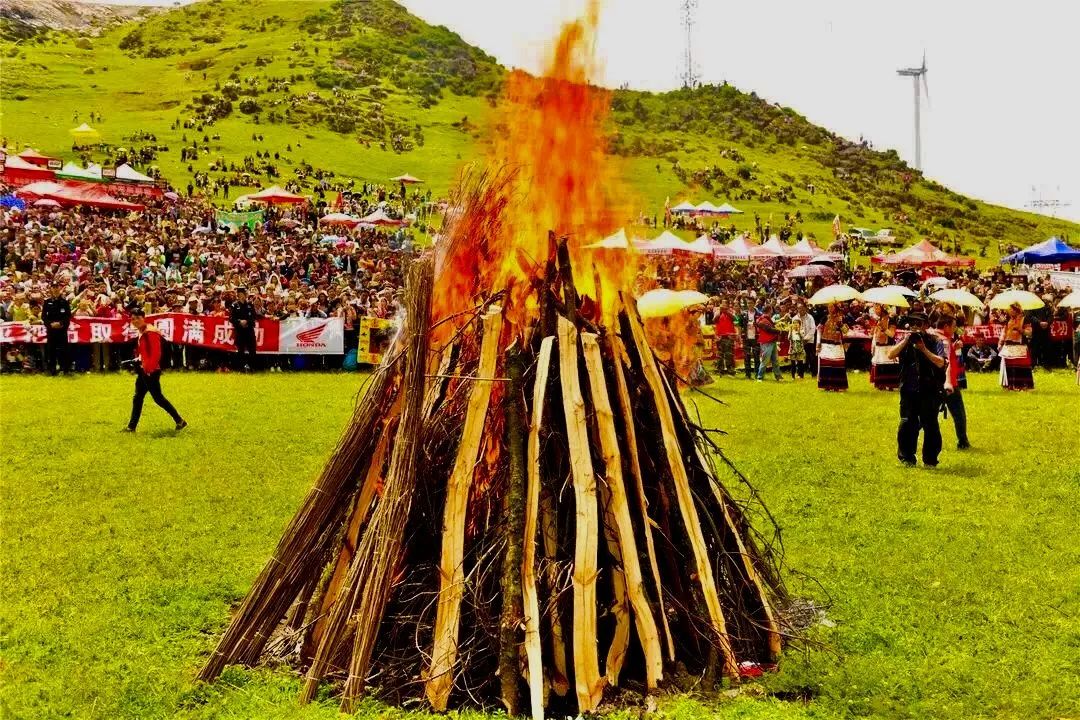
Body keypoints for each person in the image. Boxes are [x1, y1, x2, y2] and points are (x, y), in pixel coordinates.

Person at [888, 312, 946, 466]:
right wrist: (906, 340)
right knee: (907, 423)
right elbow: (890, 354)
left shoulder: (935, 341)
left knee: (930, 424)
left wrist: (923, 349)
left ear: (926, 325)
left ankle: (930, 460)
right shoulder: (904, 339)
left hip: (930, 389)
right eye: (912, 323)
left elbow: (941, 363)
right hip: (909, 388)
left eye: (919, 323)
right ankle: (907, 458)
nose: (915, 326)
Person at [123, 308, 187, 432]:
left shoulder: (150, 332)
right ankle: (131, 426)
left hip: (151, 370)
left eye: (137, 318)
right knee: (138, 397)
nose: (135, 321)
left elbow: (156, 353)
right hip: (144, 369)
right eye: (132, 319)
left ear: (143, 317)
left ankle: (180, 420)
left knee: (158, 398)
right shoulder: (143, 331)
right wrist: (139, 360)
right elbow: (146, 352)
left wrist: (149, 369)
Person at [934, 313, 970, 450]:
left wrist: (953, 348)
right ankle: (963, 441)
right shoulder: (943, 340)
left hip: (933, 382)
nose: (955, 330)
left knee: (928, 414)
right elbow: (945, 362)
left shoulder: (932, 336)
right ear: (946, 326)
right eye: (953, 327)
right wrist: (948, 382)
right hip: (948, 383)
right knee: (959, 413)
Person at [997, 302, 1033, 390]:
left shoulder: (1025, 319)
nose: (1010, 311)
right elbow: (1004, 332)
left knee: (1021, 366)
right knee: (1009, 366)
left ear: (1017, 311)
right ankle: (1010, 385)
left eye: (1012, 310)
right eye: (1010, 310)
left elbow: (1029, 333)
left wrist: (1020, 330)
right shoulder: (1008, 320)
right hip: (1008, 346)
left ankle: (1023, 385)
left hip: (1020, 346)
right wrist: (1000, 343)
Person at [41, 283, 72, 376]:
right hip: (51, 330)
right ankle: (52, 370)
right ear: (51, 289)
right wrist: (50, 325)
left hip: (62, 330)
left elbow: (68, 316)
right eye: (53, 287)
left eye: (57, 287)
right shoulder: (47, 302)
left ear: (59, 288)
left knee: (64, 350)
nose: (55, 289)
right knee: (51, 350)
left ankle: (65, 369)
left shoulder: (64, 302)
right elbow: (43, 316)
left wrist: (60, 323)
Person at [816, 303, 848, 391]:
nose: (830, 308)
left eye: (832, 307)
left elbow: (846, 331)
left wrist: (841, 325)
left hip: (837, 345)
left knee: (836, 365)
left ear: (836, 308)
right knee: (826, 364)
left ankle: (837, 386)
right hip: (826, 345)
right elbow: (819, 330)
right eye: (828, 307)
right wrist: (818, 342)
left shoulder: (841, 318)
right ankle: (826, 385)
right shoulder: (825, 318)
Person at [869, 307, 900, 390]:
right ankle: (881, 384)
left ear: (883, 310)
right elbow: (874, 334)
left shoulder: (891, 320)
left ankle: (890, 385)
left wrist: (885, 329)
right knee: (880, 364)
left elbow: (892, 335)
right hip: (879, 347)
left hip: (888, 347)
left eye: (877, 308)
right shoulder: (878, 320)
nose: (875, 310)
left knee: (888, 364)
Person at [229, 286, 259, 371]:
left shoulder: (250, 304)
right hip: (239, 331)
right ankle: (241, 368)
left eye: (244, 294)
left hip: (249, 330)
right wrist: (239, 322)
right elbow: (231, 318)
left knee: (252, 350)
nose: (243, 295)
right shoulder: (234, 305)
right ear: (238, 295)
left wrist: (247, 321)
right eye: (241, 294)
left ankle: (252, 367)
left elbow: (254, 316)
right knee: (240, 350)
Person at [755, 305, 782, 381]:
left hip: (772, 341)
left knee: (775, 360)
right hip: (766, 342)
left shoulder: (766, 319)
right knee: (765, 360)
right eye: (771, 310)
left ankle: (778, 376)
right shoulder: (763, 319)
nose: (772, 311)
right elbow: (768, 329)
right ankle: (759, 377)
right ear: (770, 310)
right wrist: (779, 331)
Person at [713, 299, 737, 376]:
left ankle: (730, 369)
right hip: (719, 336)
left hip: (729, 335)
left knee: (729, 354)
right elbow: (714, 320)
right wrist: (720, 312)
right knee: (720, 354)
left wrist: (726, 311)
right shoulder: (717, 311)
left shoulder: (731, 311)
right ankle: (720, 369)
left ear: (727, 305)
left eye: (724, 304)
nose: (723, 305)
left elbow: (735, 319)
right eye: (722, 303)